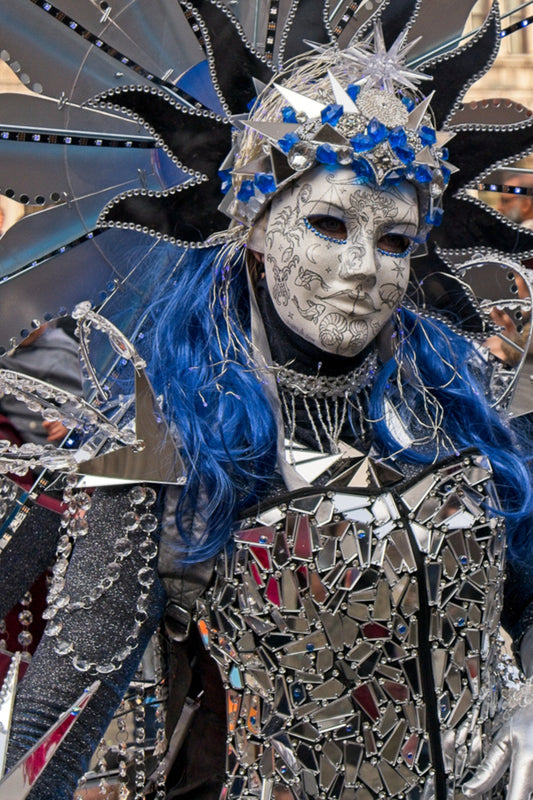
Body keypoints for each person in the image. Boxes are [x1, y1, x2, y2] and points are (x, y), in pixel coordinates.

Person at [3, 10, 533, 800]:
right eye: (328, 224)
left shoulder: (451, 405)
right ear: (251, 225)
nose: (362, 269)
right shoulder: (165, 445)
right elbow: (59, 708)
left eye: (394, 241)